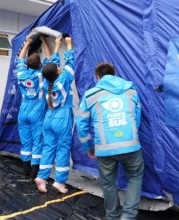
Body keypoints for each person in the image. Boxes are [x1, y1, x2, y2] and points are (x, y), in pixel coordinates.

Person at [75, 63, 144, 220]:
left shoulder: (91, 95)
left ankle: (112, 216)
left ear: (97, 77)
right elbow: (137, 117)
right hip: (131, 145)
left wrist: (88, 147)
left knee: (108, 184)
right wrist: (131, 137)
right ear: (114, 74)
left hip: (104, 148)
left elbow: (81, 124)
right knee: (135, 177)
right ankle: (128, 216)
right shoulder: (131, 91)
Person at [35, 36, 74, 194]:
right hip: (62, 119)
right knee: (63, 150)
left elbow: (49, 66)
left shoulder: (46, 82)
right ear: (57, 71)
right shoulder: (63, 79)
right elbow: (70, 63)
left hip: (49, 118)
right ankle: (59, 182)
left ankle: (42, 177)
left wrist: (57, 46)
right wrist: (69, 43)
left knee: (48, 148)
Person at [16, 35, 51, 179]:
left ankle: (25, 172)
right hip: (37, 111)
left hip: (23, 110)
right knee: (37, 141)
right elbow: (50, 61)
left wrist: (27, 44)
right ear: (39, 65)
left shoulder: (21, 74)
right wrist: (44, 41)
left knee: (26, 141)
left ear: (27, 65)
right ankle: (33, 173)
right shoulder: (42, 75)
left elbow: (20, 60)